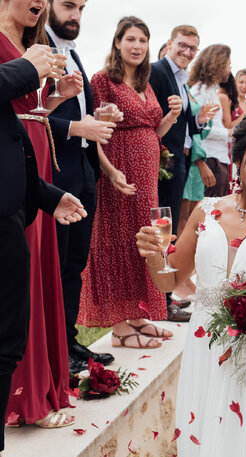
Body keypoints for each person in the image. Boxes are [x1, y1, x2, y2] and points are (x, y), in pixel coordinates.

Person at [136, 109, 246, 457]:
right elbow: (169, 281)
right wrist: (152, 255)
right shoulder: (206, 211)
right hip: (205, 347)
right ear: (239, 156)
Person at [0, 0, 85, 432]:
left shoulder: (28, 45)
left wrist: (56, 97)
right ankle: (24, 395)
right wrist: (30, 71)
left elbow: (24, 116)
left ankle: (42, 386)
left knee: (35, 278)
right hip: (9, 177)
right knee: (18, 289)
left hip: (31, 165)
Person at [78, 16, 181, 349]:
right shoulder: (103, 80)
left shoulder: (146, 83)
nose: (137, 46)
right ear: (117, 43)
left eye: (143, 40)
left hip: (146, 175)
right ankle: (120, 326)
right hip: (118, 172)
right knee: (119, 240)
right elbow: (94, 134)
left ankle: (138, 315)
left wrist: (171, 118)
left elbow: (152, 131)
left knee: (145, 240)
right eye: (131, 39)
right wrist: (109, 170)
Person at [46, 0, 119, 374]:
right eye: (69, 5)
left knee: (75, 265)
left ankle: (69, 342)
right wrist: (78, 128)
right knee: (55, 266)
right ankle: (53, 351)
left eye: (81, 8)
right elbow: (30, 116)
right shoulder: (37, 49)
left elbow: (77, 113)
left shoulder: (73, 53)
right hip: (54, 175)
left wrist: (97, 119)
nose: (75, 15)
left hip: (84, 172)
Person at [148, 24, 215, 321]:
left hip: (181, 161)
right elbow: (152, 117)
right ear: (170, 44)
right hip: (165, 162)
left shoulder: (181, 79)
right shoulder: (157, 72)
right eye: (183, 46)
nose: (187, 52)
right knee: (162, 228)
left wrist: (198, 119)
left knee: (169, 227)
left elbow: (188, 126)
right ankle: (161, 303)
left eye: (192, 48)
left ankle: (165, 296)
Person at [188, 44, 233, 199]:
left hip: (219, 156)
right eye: (228, 65)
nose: (229, 69)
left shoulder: (211, 91)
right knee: (209, 213)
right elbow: (199, 128)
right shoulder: (199, 91)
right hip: (210, 158)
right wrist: (229, 132)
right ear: (219, 64)